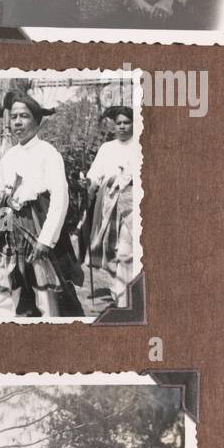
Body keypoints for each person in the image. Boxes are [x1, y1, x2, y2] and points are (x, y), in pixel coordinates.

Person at [0, 90, 85, 319]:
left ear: (37, 121)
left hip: (36, 226)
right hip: (8, 225)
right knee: (0, 282)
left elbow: (60, 198)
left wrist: (46, 240)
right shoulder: (9, 155)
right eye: (14, 116)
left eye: (24, 116)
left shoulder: (49, 153)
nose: (17, 122)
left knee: (45, 293)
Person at [83, 104, 140, 307]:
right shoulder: (107, 148)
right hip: (108, 204)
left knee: (126, 250)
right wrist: (88, 182)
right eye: (119, 123)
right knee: (112, 250)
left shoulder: (140, 146)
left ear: (134, 124)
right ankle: (119, 291)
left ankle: (125, 299)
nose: (122, 126)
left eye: (127, 122)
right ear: (114, 126)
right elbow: (95, 174)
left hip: (131, 205)